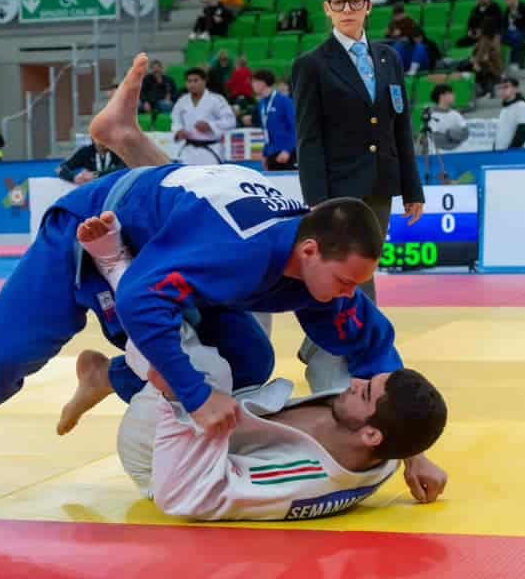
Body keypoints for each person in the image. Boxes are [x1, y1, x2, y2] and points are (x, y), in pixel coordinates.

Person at [0, 53, 414, 490]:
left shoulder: (318, 258)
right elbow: (139, 300)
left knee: (249, 362)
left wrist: (412, 448)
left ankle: (107, 373)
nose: (350, 294)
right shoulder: (234, 249)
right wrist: (194, 396)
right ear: (309, 251)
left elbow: (375, 352)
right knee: (2, 353)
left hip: (162, 225)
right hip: (88, 233)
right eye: (345, 282)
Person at [61, 210, 448, 520]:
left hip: (159, 458)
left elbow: (181, 494)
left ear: (371, 436)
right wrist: (415, 454)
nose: (357, 383)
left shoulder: (304, 478)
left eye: (364, 392)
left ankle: (116, 265)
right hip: (239, 417)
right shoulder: (385, 440)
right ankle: (106, 376)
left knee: (206, 370)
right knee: (282, 317)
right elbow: (396, 410)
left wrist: (178, 397)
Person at [291, 0, 424, 368]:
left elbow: (400, 126)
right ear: (327, 9)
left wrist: (412, 189)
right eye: (338, 1)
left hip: (380, 184)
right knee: (351, 271)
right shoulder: (311, 65)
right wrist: (317, 202)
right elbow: (308, 139)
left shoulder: (389, 58)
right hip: (337, 189)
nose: (346, 8)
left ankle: (323, 346)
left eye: (354, 0)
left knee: (364, 267)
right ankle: (369, 356)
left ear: (367, 6)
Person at [171, 67, 237, 163]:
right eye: (189, 81)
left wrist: (210, 126)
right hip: (188, 150)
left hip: (211, 150)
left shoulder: (216, 100)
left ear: (204, 81)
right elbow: (175, 120)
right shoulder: (182, 101)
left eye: (195, 81)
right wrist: (178, 131)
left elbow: (230, 121)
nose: (192, 84)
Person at [251, 69, 298, 170]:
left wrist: (288, 150)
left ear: (262, 83)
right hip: (271, 154)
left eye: (254, 82)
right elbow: (266, 130)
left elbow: (295, 128)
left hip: (286, 154)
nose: (252, 85)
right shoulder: (261, 104)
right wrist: (265, 154)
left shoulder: (284, 101)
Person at [56, 138, 126, 184]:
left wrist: (96, 175)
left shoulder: (117, 150)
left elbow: (124, 167)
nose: (103, 142)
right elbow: (60, 168)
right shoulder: (86, 152)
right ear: (93, 139)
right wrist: (74, 178)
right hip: (92, 189)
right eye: (99, 138)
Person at [494, 76, 525, 150]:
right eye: (500, 88)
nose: (502, 90)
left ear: (516, 89)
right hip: (500, 153)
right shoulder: (504, 109)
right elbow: (499, 134)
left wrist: (510, 152)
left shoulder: (522, 106)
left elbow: (522, 132)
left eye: (506, 87)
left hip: (512, 154)